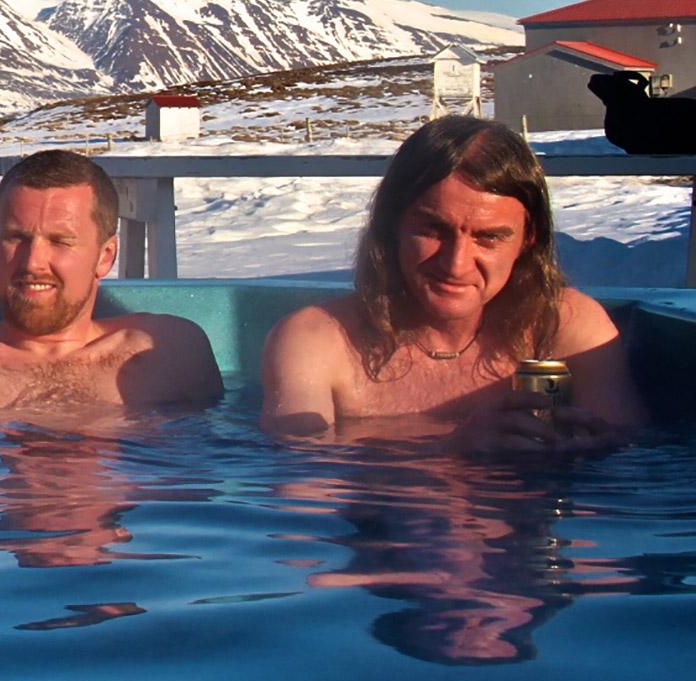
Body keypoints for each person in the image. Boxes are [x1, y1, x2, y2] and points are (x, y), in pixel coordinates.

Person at [260, 115, 646, 449]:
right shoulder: (318, 341)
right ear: (391, 226)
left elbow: (631, 474)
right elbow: (301, 492)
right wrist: (452, 454)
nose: (456, 264)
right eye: (433, 229)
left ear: (528, 240)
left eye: (489, 237)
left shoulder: (566, 327)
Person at [0, 149, 221, 411]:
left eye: (60, 242)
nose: (33, 262)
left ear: (105, 256)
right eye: (16, 238)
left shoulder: (167, 352)